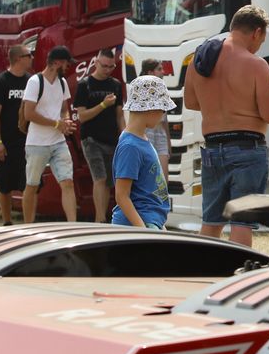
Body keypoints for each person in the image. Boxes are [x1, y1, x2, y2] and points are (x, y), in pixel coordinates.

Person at [184, 5, 269, 247]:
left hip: (212, 149)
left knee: (211, 221)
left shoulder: (200, 59)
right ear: (256, 32)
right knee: (242, 221)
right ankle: (240, 275)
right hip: (247, 149)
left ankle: (202, 272)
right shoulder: (256, 64)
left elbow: (190, 102)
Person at [21, 45, 78, 223]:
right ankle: (28, 226)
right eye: (66, 64)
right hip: (37, 142)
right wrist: (56, 123)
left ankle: (73, 226)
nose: (68, 67)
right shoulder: (35, 82)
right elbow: (28, 114)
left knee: (68, 182)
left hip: (58, 141)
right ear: (56, 63)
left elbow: (63, 109)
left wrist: (66, 121)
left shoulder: (62, 83)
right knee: (32, 185)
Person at [111, 75, 175, 230]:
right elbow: (121, 195)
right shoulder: (130, 146)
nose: (163, 115)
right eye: (162, 109)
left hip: (150, 221)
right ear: (150, 109)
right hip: (140, 224)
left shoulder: (141, 139)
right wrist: (144, 230)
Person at [74, 47, 124, 222]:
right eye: (104, 66)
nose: (108, 70)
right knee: (100, 178)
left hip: (111, 138)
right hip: (91, 139)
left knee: (109, 182)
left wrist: (124, 137)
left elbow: (120, 115)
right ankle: (100, 219)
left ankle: (104, 218)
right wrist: (102, 105)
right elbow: (82, 116)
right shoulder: (84, 85)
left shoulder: (116, 85)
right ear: (95, 63)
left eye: (111, 66)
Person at [0, 44, 33, 225]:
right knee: (4, 184)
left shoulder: (31, 81)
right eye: (29, 55)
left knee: (30, 183)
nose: (32, 58)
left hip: (28, 141)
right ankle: (7, 222)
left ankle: (29, 223)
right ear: (18, 59)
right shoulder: (1, 82)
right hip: (6, 142)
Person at [140, 59, 170, 182]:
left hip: (160, 134)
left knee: (163, 179)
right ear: (150, 72)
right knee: (149, 177)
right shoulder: (140, 88)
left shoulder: (162, 89)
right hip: (146, 133)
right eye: (159, 69)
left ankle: (162, 201)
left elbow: (164, 119)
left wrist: (168, 141)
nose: (163, 72)